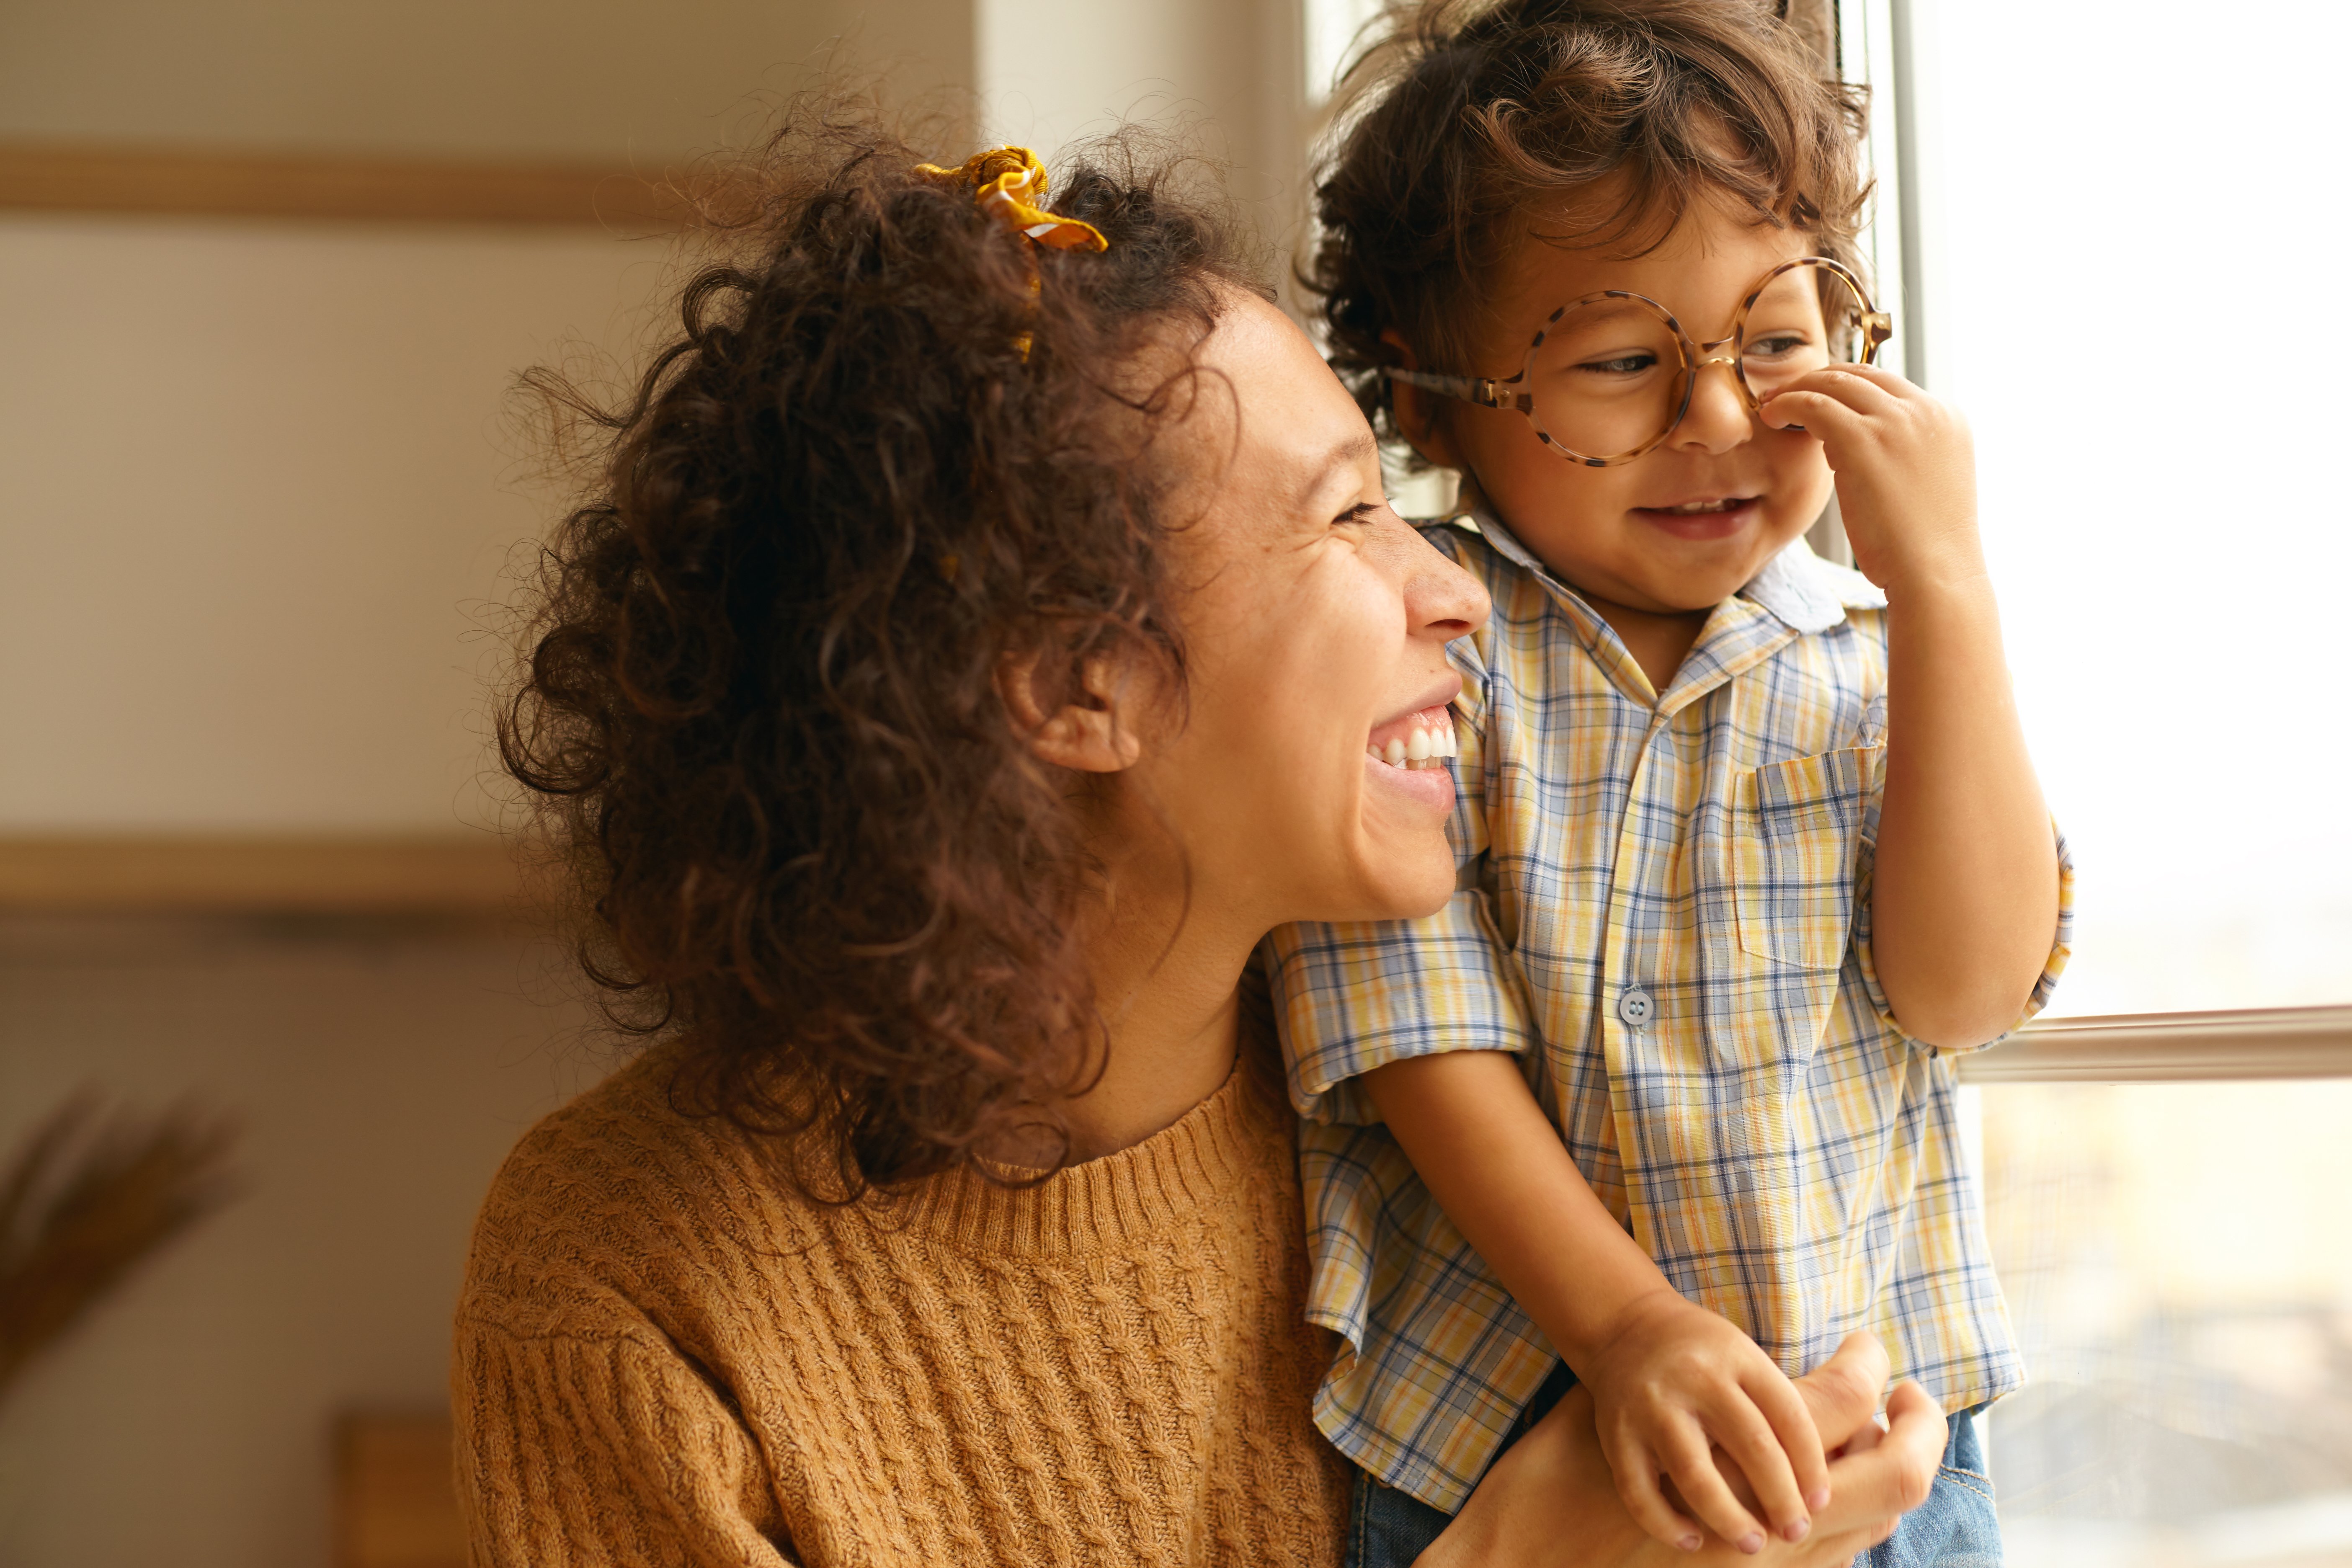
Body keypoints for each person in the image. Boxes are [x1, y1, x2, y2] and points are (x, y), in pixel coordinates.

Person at [453, 113, 1948, 1567]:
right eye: (1351, 514)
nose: (1458, 592)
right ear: (1075, 680)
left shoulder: (1509, 1128)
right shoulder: (625, 1284)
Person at [1265, 3, 2073, 1565]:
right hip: (1507, 1431)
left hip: (1876, 1440)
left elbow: (1965, 990)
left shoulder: (1875, 659)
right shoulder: (1429, 650)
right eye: (1626, 360)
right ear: (1430, 400)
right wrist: (1630, 1329)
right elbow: (1411, 1029)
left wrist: (1948, 592)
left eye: (1776, 343)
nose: (1718, 419)